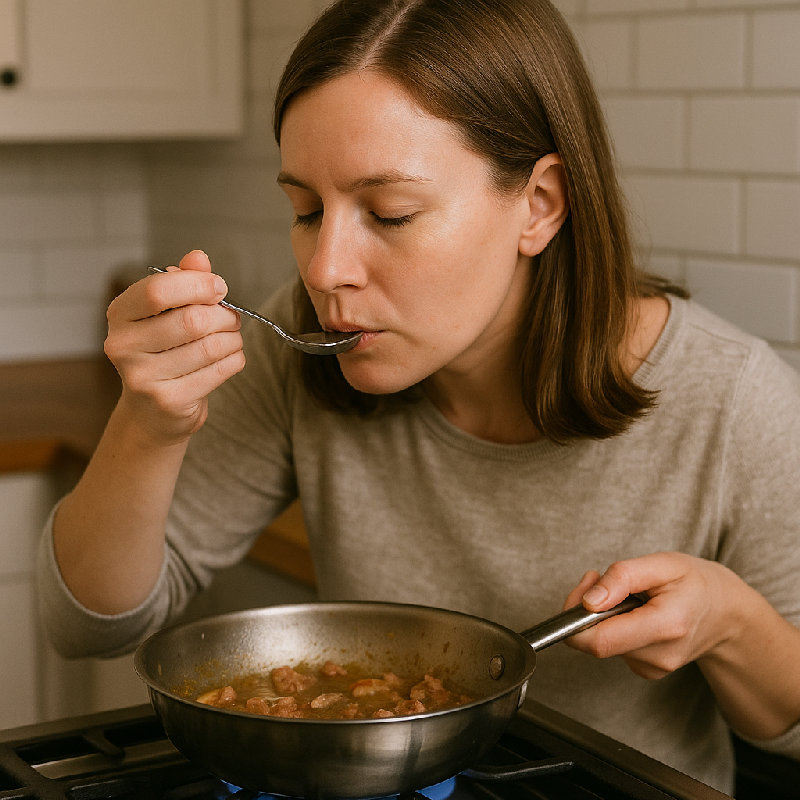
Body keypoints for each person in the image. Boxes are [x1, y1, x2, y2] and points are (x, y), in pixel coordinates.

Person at [36, 0, 800, 793]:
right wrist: (147, 424)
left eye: (390, 213)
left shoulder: (734, 402)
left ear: (540, 205)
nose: (325, 268)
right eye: (306, 210)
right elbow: (87, 625)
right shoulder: (297, 358)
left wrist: (731, 623)